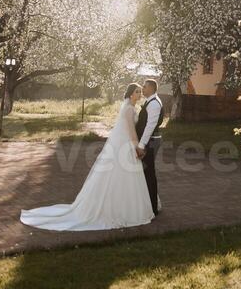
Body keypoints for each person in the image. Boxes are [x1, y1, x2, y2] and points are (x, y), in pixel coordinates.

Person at [19, 83, 154, 231]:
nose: (139, 94)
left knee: (125, 175)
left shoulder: (130, 108)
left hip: (123, 144)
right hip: (125, 144)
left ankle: (124, 207)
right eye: (137, 92)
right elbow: (130, 131)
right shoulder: (128, 109)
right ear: (130, 94)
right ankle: (119, 211)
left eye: (140, 92)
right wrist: (137, 147)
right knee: (120, 175)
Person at [135, 78, 164, 216]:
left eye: (145, 87)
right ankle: (149, 205)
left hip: (150, 142)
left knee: (149, 174)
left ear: (151, 88)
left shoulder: (154, 104)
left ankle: (152, 208)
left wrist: (141, 145)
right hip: (149, 141)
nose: (143, 89)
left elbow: (150, 126)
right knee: (146, 173)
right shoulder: (150, 102)